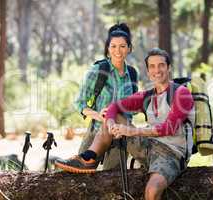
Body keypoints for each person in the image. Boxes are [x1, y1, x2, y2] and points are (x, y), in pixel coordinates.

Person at [56, 48, 194, 200]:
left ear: (169, 68)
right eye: (152, 66)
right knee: (116, 116)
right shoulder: (147, 95)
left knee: (152, 191)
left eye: (161, 65)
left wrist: (131, 131)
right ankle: (89, 158)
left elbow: (169, 127)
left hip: (171, 154)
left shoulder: (181, 93)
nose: (157, 70)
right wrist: (109, 122)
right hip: (149, 147)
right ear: (148, 71)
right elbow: (115, 106)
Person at [74, 23, 138, 170]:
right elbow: (79, 103)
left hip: (120, 138)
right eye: (113, 46)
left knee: (112, 184)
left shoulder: (133, 74)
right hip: (96, 132)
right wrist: (100, 116)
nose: (118, 51)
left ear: (129, 48)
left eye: (122, 46)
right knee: (80, 178)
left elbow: (134, 108)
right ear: (108, 48)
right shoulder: (98, 70)